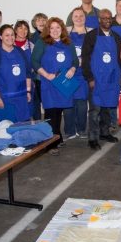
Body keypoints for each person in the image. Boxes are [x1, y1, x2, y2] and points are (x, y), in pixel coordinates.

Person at [32, 17, 79, 154]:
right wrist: (46, 74)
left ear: (62, 29)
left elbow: (75, 61)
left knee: (59, 111)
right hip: (49, 83)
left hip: (63, 82)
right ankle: (50, 143)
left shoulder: (68, 43)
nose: (55, 30)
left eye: (58, 27)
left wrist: (72, 69)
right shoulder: (42, 43)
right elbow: (34, 62)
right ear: (48, 30)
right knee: (51, 111)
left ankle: (57, 137)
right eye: (52, 28)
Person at [82, 8, 121, 150]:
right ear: (99, 20)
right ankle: (92, 138)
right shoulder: (91, 36)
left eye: (109, 18)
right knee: (94, 110)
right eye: (104, 18)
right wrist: (90, 78)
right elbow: (85, 59)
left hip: (111, 78)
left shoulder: (116, 37)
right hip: (96, 79)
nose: (107, 20)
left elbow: (119, 59)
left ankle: (104, 132)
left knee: (107, 106)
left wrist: (118, 77)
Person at [0, 24, 32, 123]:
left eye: (12, 35)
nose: (10, 37)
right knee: (6, 129)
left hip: (21, 98)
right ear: (1, 37)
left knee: (23, 127)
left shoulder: (20, 51)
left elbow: (28, 73)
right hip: (5, 98)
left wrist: (28, 91)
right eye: (7, 35)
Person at [64, 7, 92, 139]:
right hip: (68, 72)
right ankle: (69, 130)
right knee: (68, 103)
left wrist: (82, 61)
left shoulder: (91, 33)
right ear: (72, 18)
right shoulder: (65, 33)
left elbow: (94, 52)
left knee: (81, 103)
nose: (79, 18)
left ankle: (81, 129)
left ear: (85, 18)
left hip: (83, 74)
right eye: (76, 16)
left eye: (81, 16)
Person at [14, 20, 41, 120]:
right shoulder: (10, 45)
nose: (23, 30)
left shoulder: (31, 45)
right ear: (16, 30)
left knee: (35, 105)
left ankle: (38, 128)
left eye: (25, 28)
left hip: (30, 80)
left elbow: (36, 62)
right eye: (20, 28)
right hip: (15, 82)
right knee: (20, 108)